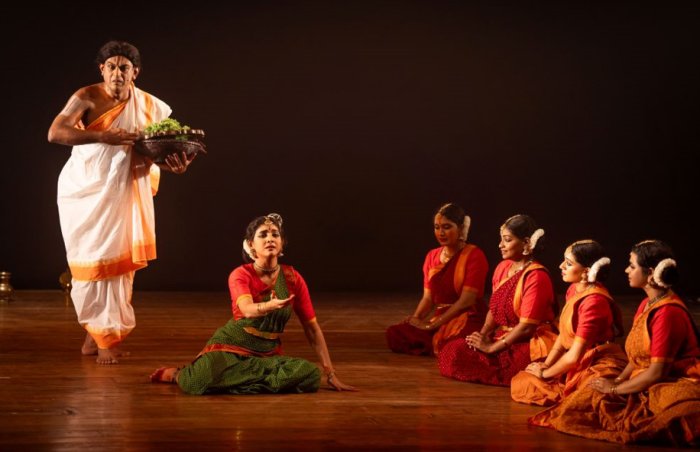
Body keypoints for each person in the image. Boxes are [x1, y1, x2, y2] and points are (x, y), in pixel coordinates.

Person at [48, 41, 195, 364]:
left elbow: (148, 150)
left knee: (119, 266)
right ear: (102, 70)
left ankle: (98, 339)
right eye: (111, 67)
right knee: (93, 261)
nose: (117, 73)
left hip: (125, 191)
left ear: (135, 72)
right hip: (86, 191)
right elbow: (55, 132)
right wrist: (103, 136)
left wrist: (173, 166)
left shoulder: (147, 105)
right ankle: (103, 339)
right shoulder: (86, 96)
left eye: (124, 67)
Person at [150, 214, 355, 394]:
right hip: (233, 346)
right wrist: (269, 306)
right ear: (251, 245)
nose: (270, 239)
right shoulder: (241, 274)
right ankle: (178, 374)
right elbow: (247, 310)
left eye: (275, 234)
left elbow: (312, 328)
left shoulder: (293, 278)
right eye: (263, 235)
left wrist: (330, 373)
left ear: (282, 243)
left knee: (310, 374)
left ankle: (232, 382)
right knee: (195, 382)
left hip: (267, 354)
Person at [529, 240, 700, 445]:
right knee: (588, 399)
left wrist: (615, 388)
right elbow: (636, 358)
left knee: (604, 408)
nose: (626, 270)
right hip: (643, 377)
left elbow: (657, 372)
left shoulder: (667, 313)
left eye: (632, 266)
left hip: (672, 381)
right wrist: (619, 381)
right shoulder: (647, 304)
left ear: (651, 273)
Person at [438, 214, 558, 386]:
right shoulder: (503, 267)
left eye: (507, 240)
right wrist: (482, 335)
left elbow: (526, 327)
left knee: (508, 365)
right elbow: (494, 308)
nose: (500, 245)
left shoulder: (536, 276)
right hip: (504, 336)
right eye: (501, 239)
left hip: (529, 341)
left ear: (526, 243)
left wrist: (492, 347)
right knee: (453, 350)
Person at [510, 240, 627, 406]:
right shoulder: (574, 289)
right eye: (564, 261)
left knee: (591, 396)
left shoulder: (594, 302)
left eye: (569, 263)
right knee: (522, 381)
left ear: (586, 272)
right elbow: (563, 336)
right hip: (576, 359)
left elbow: (575, 356)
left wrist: (544, 374)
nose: (561, 266)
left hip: (597, 361)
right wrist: (546, 365)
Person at [385, 203, 489, 356]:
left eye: (447, 227)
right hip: (440, 317)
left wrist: (430, 327)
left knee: (457, 345)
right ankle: (436, 343)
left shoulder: (474, 255)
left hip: (468, 316)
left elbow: (466, 301)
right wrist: (416, 319)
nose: (441, 233)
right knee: (395, 333)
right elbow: (428, 298)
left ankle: (440, 344)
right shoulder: (432, 256)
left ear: (460, 228)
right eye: (437, 227)